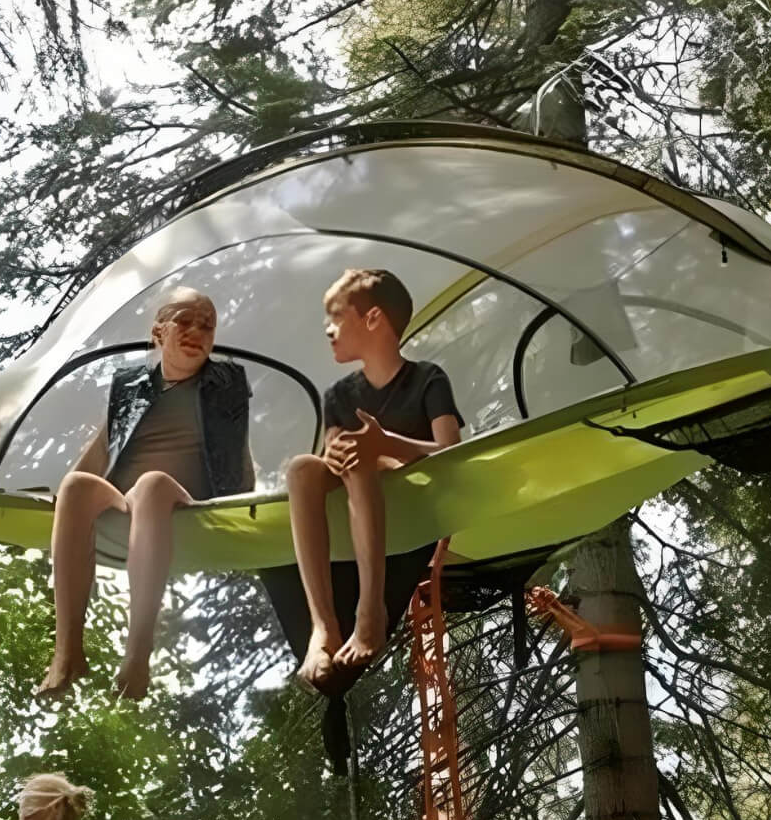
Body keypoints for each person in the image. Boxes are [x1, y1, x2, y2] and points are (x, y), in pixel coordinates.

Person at [37, 288, 254, 702]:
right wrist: (63, 501)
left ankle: (138, 651)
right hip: (126, 500)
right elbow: (101, 450)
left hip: (188, 500)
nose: (197, 331)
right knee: (76, 486)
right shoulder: (131, 386)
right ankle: (67, 650)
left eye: (207, 326)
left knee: (152, 483)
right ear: (158, 331)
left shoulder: (225, 382)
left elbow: (237, 447)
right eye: (184, 321)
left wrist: (247, 506)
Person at [285, 268, 463, 692]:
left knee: (362, 458)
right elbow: (334, 458)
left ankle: (370, 612)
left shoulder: (428, 378)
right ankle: (323, 627)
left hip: (413, 495)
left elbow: (452, 452)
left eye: (336, 316)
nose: (328, 329)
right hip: (359, 491)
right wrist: (337, 454)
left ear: (373, 319)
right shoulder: (338, 395)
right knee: (302, 469)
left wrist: (386, 444)